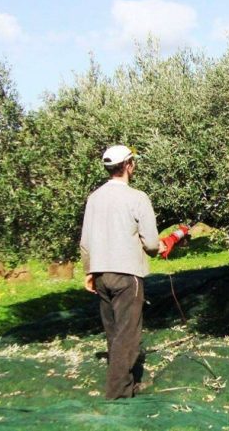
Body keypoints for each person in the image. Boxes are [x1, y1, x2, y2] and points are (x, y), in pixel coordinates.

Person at [80, 145, 165, 399]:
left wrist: (88, 271)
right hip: (127, 275)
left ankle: (127, 385)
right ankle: (117, 396)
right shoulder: (138, 198)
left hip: (101, 274)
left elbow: (85, 241)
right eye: (133, 161)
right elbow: (150, 243)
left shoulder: (94, 198)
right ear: (128, 166)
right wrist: (159, 246)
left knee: (114, 333)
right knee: (127, 337)